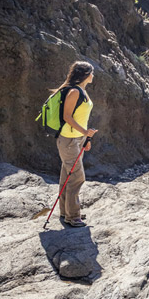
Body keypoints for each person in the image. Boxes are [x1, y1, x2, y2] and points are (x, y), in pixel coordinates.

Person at [52, 61, 98, 227]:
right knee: (77, 177)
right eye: (91, 72)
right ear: (85, 74)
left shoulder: (83, 91)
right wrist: (85, 133)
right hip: (69, 140)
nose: (93, 75)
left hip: (76, 140)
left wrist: (85, 139)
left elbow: (81, 118)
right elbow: (67, 117)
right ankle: (73, 217)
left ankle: (66, 213)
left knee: (67, 176)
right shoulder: (74, 92)